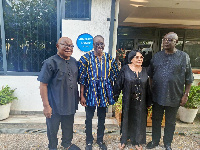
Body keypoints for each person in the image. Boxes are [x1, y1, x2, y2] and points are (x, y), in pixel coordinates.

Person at [146, 32, 194, 150]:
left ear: (176, 42)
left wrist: (185, 94)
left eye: (169, 40)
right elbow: (150, 75)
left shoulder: (184, 57)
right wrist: (151, 91)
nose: (166, 42)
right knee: (156, 119)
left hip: (174, 95)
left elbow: (189, 78)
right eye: (164, 39)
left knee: (170, 122)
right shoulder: (157, 56)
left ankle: (167, 143)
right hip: (157, 95)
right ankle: (155, 141)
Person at [38, 37, 80, 150]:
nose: (68, 48)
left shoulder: (74, 62)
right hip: (54, 104)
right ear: (57, 46)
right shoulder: (50, 63)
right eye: (65, 45)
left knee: (68, 126)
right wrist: (46, 106)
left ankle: (66, 144)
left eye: (71, 46)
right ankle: (52, 146)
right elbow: (43, 85)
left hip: (70, 103)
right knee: (52, 129)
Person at [78, 35, 119, 150]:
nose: (99, 46)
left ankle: (100, 140)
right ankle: (89, 141)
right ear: (93, 45)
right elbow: (82, 79)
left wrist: (111, 92)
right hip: (90, 92)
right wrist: (82, 95)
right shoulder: (86, 58)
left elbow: (115, 76)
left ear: (104, 45)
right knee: (89, 117)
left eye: (101, 44)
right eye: (97, 44)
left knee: (102, 117)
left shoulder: (109, 59)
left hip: (104, 93)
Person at [114, 50, 152, 150]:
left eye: (141, 57)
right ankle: (124, 140)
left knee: (139, 120)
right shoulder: (125, 69)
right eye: (137, 57)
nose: (140, 59)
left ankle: (137, 141)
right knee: (126, 118)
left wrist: (149, 102)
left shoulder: (145, 70)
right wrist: (115, 96)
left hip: (141, 101)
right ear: (131, 59)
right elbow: (118, 84)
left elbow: (148, 87)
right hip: (128, 100)